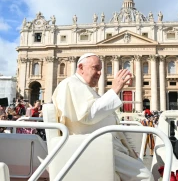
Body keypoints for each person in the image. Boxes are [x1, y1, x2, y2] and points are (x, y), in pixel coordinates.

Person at [52, 53, 153, 181]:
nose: (100, 73)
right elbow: (89, 115)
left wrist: (126, 147)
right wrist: (115, 89)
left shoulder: (84, 87)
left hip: (102, 143)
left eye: (101, 69)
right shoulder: (71, 84)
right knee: (145, 177)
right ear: (81, 67)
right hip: (94, 146)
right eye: (96, 68)